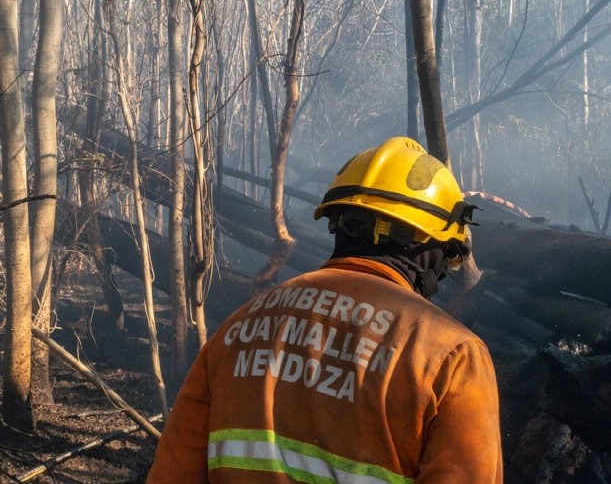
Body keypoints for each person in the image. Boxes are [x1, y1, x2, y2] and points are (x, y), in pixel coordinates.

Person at [147, 137, 503, 483]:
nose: (442, 273)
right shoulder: (454, 356)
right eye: (447, 259)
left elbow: (173, 473)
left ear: (338, 222)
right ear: (431, 245)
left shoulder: (239, 328)